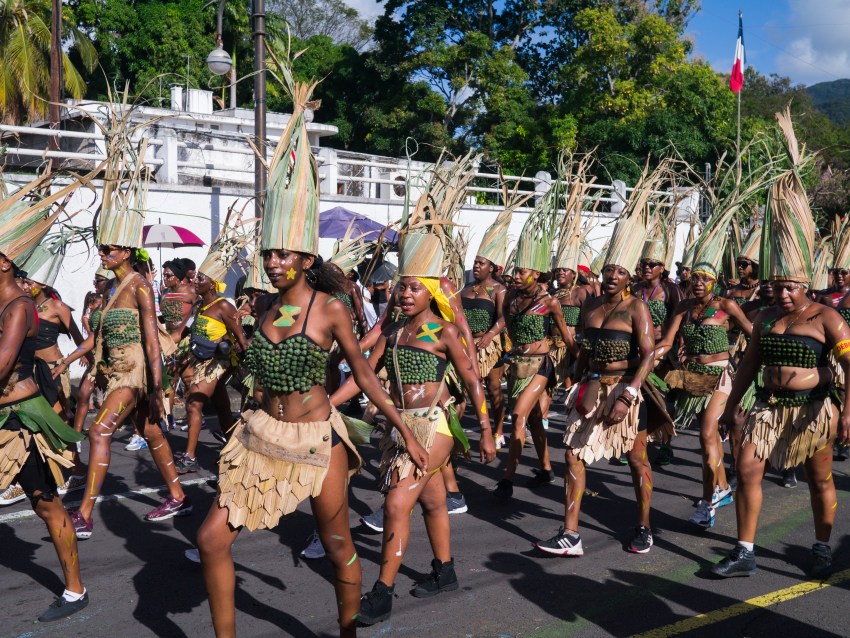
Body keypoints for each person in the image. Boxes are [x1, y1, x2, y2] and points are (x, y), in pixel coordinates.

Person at [195, 63, 427, 638]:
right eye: (267, 254)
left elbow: (367, 378)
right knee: (209, 539)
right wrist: (234, 333)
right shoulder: (265, 308)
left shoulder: (331, 308)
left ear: (303, 258)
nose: (272, 262)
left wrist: (406, 432)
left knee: (338, 541)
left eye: (282, 255)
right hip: (257, 437)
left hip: (316, 441)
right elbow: (256, 373)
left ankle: (349, 626)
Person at [332, 180, 496, 626]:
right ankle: (445, 571)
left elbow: (472, 380)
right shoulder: (393, 332)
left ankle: (382, 592)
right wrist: (329, 404)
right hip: (401, 422)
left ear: (431, 292)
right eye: (400, 288)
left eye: (414, 289)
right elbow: (365, 378)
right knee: (433, 502)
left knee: (396, 503)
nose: (404, 294)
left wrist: (484, 429)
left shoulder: (443, 333)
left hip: (437, 424)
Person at [713, 109, 849, 579]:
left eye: (790, 285)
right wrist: (734, 405)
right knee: (748, 470)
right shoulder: (767, 317)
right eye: (778, 284)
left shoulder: (827, 318)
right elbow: (749, 364)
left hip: (814, 407)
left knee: (819, 478)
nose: (783, 292)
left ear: (806, 283)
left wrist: (848, 412)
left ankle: (821, 545)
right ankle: (744, 551)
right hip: (768, 407)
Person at [535, 176, 670, 556]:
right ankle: (571, 533)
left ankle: (644, 525)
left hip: (625, 390)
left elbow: (647, 354)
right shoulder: (591, 306)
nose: (612, 276)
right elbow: (580, 347)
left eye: (620, 272)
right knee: (572, 455)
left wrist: (630, 392)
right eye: (609, 269)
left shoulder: (636, 308)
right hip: (591, 386)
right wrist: (563, 329)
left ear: (629, 278)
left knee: (636, 459)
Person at [69, 153, 189, 538]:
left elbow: (153, 343)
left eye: (107, 250)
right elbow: (98, 337)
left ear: (124, 251)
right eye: (101, 249)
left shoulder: (138, 285)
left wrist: (158, 390)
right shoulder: (108, 291)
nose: (102, 255)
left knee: (99, 432)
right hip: (114, 372)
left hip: (134, 373)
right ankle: (177, 495)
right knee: (152, 434)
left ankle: (84, 514)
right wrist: (71, 364)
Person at [0, 170, 92, 621]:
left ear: (4, 262)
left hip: (19, 420)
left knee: (45, 503)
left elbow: (2, 365)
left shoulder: (19, 307)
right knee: (43, 503)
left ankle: (75, 589)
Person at [655, 256, 752, 529]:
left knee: (708, 433)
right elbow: (667, 341)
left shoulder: (726, 306)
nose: (699, 283)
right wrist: (649, 360)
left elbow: (752, 333)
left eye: (705, 279)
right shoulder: (684, 307)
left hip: (720, 376)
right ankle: (716, 493)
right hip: (692, 379)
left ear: (715, 283)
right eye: (695, 277)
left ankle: (714, 495)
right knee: (706, 442)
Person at [493, 182, 574, 498]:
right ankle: (546, 469)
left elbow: (566, 337)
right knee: (536, 421)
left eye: (523, 271)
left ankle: (507, 480)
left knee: (519, 417)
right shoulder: (510, 297)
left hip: (542, 365)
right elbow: (506, 325)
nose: (515, 275)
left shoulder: (549, 302)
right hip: (517, 365)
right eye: (515, 270)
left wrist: (575, 366)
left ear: (538, 274)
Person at [172, 219, 249, 473]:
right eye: (196, 277)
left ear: (213, 282)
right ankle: (234, 448)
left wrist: (247, 362)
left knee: (194, 403)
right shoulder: (200, 306)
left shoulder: (224, 306)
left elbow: (240, 337)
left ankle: (190, 457)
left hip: (218, 362)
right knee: (224, 409)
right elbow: (190, 335)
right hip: (200, 360)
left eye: (200, 278)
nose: (195, 280)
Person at [460, 203, 512, 449]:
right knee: (462, 390)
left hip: (488, 348)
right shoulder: (465, 288)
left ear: (492, 267)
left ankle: (498, 429)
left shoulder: (498, 289)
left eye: (481, 263)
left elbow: (504, 318)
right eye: (475, 262)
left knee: (493, 389)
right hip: (464, 345)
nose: (477, 266)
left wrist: (490, 336)